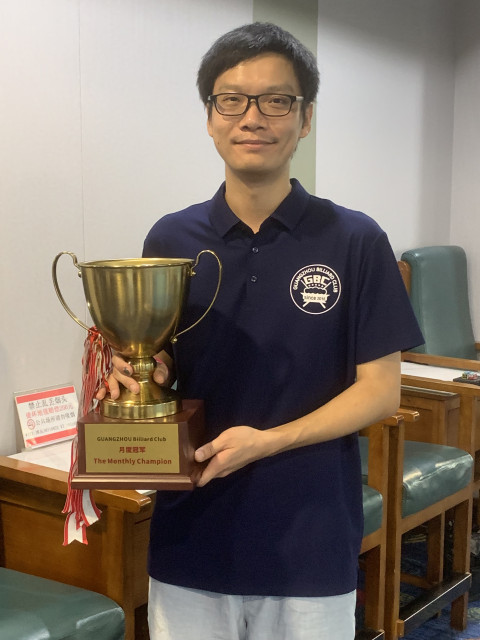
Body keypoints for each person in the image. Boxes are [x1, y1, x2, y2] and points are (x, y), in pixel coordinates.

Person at [98, 22, 424, 640]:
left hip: (309, 537)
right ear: (210, 116)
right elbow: (165, 365)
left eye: (276, 101)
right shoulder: (170, 237)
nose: (252, 118)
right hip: (192, 533)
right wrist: (143, 372)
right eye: (232, 100)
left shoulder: (355, 240)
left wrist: (267, 442)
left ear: (305, 119)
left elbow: (381, 391)